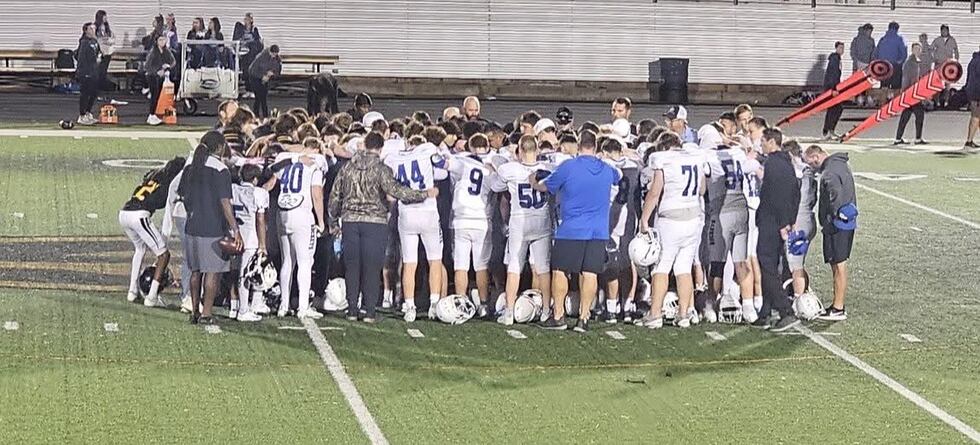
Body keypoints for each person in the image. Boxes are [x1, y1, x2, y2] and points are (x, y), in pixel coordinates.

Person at [329, 132, 434, 322]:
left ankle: (352, 308)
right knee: (371, 267)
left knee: (352, 266)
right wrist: (424, 194)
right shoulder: (381, 169)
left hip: (350, 221)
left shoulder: (347, 168)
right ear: (380, 148)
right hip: (375, 223)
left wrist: (333, 221)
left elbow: (335, 195)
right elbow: (396, 191)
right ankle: (369, 311)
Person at [532, 130, 620, 332]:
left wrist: (532, 182)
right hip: (598, 230)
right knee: (590, 273)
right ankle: (583, 318)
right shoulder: (606, 169)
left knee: (560, 271)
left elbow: (547, 187)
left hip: (571, 229)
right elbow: (617, 176)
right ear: (596, 147)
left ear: (579, 145)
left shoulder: (569, 166)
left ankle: (559, 316)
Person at [636, 132, 705, 329]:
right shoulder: (695, 158)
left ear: (664, 147)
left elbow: (655, 192)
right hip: (693, 218)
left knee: (661, 267)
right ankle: (683, 314)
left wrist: (644, 219)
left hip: (671, 219)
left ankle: (655, 314)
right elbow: (701, 189)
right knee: (683, 268)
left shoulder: (663, 159)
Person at [177, 131, 242, 325]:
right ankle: (206, 313)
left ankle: (195, 311)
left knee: (195, 271)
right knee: (213, 271)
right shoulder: (220, 169)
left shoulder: (191, 165)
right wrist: (235, 230)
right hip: (212, 225)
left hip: (191, 224)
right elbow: (225, 202)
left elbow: (182, 194)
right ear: (220, 147)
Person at [384, 135, 445, 322]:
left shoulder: (393, 157)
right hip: (427, 211)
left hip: (406, 213)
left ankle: (409, 305)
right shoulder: (427, 149)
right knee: (434, 260)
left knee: (410, 263)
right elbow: (442, 167)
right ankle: (434, 304)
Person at [273, 127, 328, 320]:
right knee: (305, 262)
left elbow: (274, 171)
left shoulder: (286, 160)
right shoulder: (316, 163)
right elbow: (316, 194)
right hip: (302, 215)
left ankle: (284, 304)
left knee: (287, 261)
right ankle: (303, 306)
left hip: (283, 212)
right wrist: (321, 220)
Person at [119, 157, 184, 307]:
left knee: (140, 249)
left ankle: (132, 291)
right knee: (164, 255)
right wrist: (163, 242)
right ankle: (152, 296)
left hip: (124, 213)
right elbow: (168, 216)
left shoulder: (155, 175)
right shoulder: (172, 184)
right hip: (139, 215)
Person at [753, 128, 801, 332]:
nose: (760, 144)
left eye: (763, 141)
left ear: (771, 141)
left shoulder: (773, 163)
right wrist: (790, 220)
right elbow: (794, 194)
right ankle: (765, 311)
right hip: (780, 221)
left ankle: (785, 310)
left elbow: (776, 196)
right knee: (771, 266)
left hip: (771, 222)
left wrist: (782, 223)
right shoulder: (786, 162)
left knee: (767, 266)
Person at [804, 145, 856, 321]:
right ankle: (837, 305)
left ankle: (838, 307)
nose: (811, 167)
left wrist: (833, 216)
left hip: (838, 224)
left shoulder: (829, 172)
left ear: (816, 157)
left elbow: (835, 195)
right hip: (846, 221)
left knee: (838, 265)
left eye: (810, 163)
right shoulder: (840, 164)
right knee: (838, 264)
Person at [446, 134, 495, 317]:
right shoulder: (491, 164)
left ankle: (461, 303)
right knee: (481, 266)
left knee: (461, 265)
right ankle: (483, 305)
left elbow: (440, 163)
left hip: (461, 218)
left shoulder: (461, 161)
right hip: (481, 219)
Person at [229, 164, 269, 322]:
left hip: (234, 235)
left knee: (235, 272)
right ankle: (245, 309)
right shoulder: (259, 193)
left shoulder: (233, 189)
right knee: (248, 273)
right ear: (255, 179)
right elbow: (260, 220)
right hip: (250, 237)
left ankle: (235, 306)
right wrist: (263, 244)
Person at [894, 43, 930, 146]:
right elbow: (908, 78)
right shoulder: (910, 63)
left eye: (919, 49)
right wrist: (907, 92)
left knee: (906, 115)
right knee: (919, 114)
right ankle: (917, 139)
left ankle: (898, 138)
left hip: (912, 92)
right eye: (916, 49)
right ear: (912, 50)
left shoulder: (916, 62)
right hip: (911, 92)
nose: (917, 51)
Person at [144, 35, 176, 126]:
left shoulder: (166, 51)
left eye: (163, 40)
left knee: (157, 95)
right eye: (160, 40)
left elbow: (173, 61)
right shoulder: (153, 51)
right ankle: (151, 115)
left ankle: (153, 114)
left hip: (161, 77)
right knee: (154, 95)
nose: (162, 42)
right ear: (157, 41)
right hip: (152, 76)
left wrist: (168, 66)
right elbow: (147, 66)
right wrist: (157, 71)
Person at [75, 23, 102, 126]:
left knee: (94, 93)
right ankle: (81, 115)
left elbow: (99, 53)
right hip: (86, 72)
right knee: (85, 94)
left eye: (94, 28)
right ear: (86, 30)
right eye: (90, 28)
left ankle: (88, 112)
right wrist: (83, 71)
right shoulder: (84, 42)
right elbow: (80, 57)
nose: (93, 30)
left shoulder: (95, 41)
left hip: (94, 71)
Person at [234, 13, 263, 98]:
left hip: (252, 54)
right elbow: (238, 39)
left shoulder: (254, 30)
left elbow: (258, 41)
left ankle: (252, 90)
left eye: (247, 19)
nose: (245, 21)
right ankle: (247, 89)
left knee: (252, 72)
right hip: (244, 53)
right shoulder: (241, 30)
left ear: (251, 20)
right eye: (245, 19)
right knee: (245, 71)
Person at [248, 45, 281, 119]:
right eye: (273, 54)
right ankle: (257, 114)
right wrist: (262, 76)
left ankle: (264, 114)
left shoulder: (277, 59)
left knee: (263, 97)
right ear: (270, 52)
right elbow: (252, 70)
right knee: (258, 97)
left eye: (275, 55)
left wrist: (272, 73)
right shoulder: (261, 57)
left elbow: (278, 71)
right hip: (255, 78)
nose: (273, 56)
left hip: (266, 79)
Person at [873, 22, 907, 94]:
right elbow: (903, 53)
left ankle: (883, 102)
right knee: (896, 87)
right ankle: (894, 103)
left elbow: (876, 53)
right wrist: (900, 61)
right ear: (897, 29)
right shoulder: (899, 39)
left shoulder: (882, 39)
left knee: (884, 86)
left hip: (883, 65)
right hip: (895, 66)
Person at [822, 42, 845, 140]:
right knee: (836, 109)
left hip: (833, 87)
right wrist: (834, 89)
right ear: (836, 48)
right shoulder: (835, 59)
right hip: (832, 88)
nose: (842, 50)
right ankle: (829, 130)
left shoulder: (837, 59)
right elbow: (832, 75)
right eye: (840, 48)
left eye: (843, 48)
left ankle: (828, 130)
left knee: (833, 109)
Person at [965, 48, 980, 149]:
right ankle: (969, 141)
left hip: (973, 91)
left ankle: (970, 141)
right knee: (976, 116)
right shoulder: (978, 61)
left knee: (976, 116)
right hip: (977, 92)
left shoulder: (974, 59)